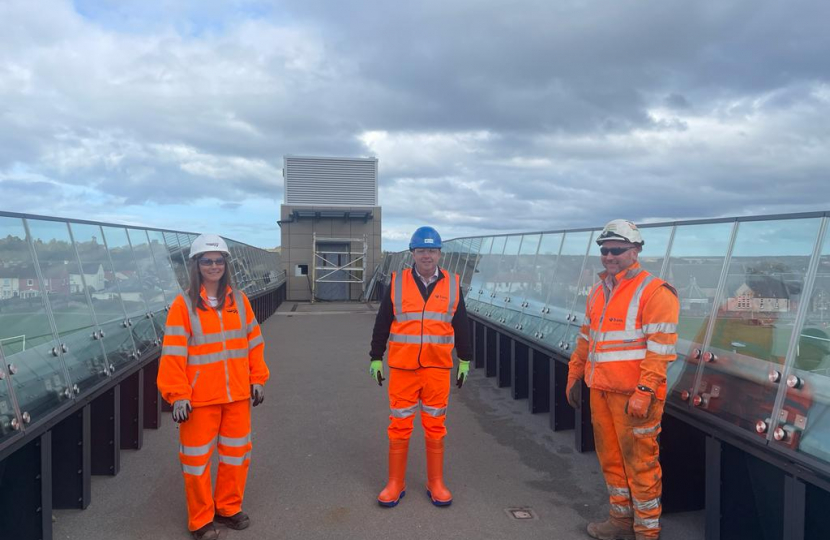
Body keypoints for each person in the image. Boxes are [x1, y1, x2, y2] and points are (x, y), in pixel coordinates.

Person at [565, 220, 679, 540]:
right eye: (604, 250)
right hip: (601, 390)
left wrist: (644, 390)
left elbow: (661, 349)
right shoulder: (599, 290)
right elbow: (586, 339)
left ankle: (646, 531)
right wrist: (575, 374)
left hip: (635, 396)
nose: (609, 256)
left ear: (636, 251)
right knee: (612, 460)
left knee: (641, 464)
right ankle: (620, 520)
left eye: (617, 250)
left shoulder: (655, 292)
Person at [157, 234, 269, 540]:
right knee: (196, 463)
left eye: (219, 261)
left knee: (236, 456)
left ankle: (228, 508)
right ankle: (201, 520)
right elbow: (173, 354)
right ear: (196, 265)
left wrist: (258, 378)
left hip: (236, 397)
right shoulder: (183, 306)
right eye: (207, 261)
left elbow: (254, 345)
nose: (214, 266)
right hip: (199, 400)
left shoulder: (240, 302)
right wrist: (178, 394)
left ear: (226, 265)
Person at [369, 226, 473, 508]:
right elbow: (383, 322)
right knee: (399, 426)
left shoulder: (453, 283)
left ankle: (435, 482)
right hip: (403, 368)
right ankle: (395, 483)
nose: (427, 256)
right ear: (412, 253)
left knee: (435, 426)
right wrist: (375, 356)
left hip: (437, 369)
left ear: (439, 254)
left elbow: (461, 324)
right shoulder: (397, 282)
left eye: (432, 250)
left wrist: (464, 359)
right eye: (421, 250)